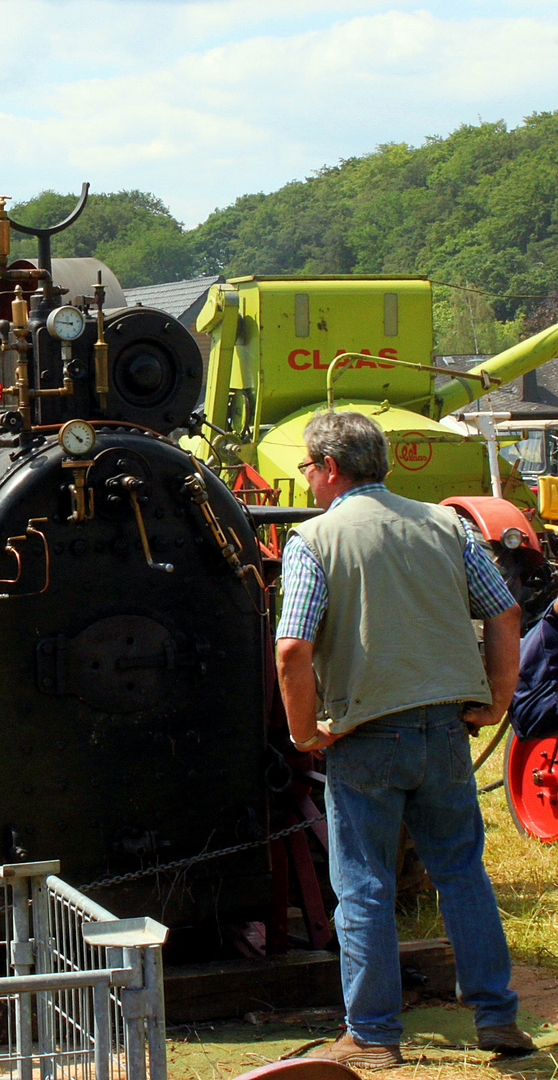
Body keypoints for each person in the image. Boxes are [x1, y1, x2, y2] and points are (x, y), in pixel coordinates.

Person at [275, 410, 535, 1068]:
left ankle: (372, 1034)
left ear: (329, 469)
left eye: (307, 468)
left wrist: (304, 731)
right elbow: (505, 610)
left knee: (363, 886)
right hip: (445, 729)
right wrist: (495, 699)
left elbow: (290, 649)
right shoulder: (445, 525)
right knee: (462, 875)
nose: (306, 481)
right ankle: (495, 1017)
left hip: (363, 736)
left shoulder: (313, 539)